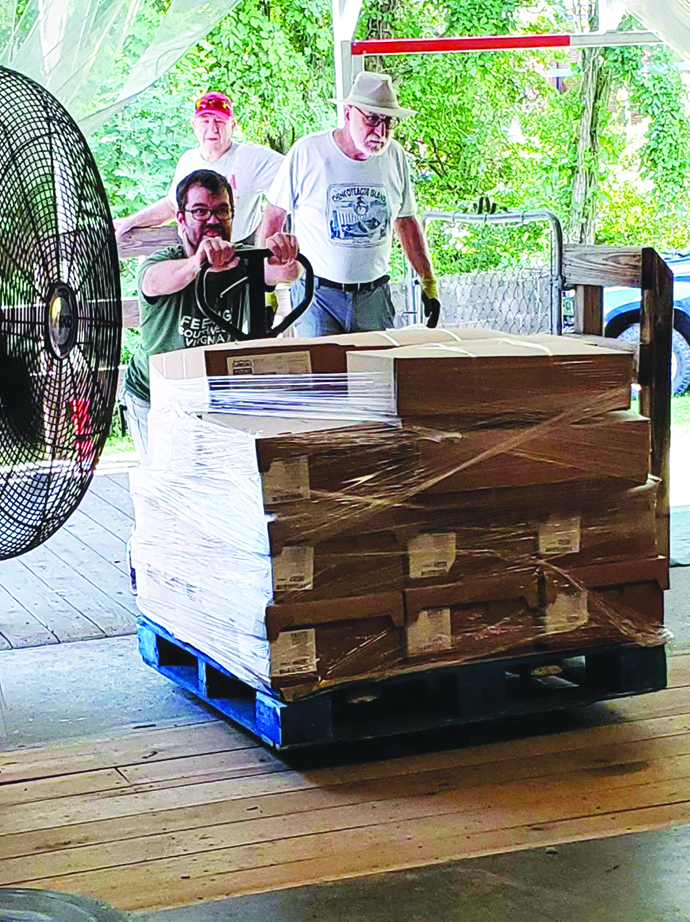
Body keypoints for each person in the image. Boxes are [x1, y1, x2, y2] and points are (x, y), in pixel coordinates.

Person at [122, 169, 299, 456]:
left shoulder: (243, 261)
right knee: (165, 480)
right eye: (201, 212)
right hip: (154, 396)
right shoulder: (165, 262)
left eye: (221, 211)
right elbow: (154, 281)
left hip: (211, 395)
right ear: (181, 218)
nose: (213, 220)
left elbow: (281, 271)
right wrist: (198, 263)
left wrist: (286, 257)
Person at [258, 71, 439, 336]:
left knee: (377, 373)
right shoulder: (309, 152)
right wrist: (267, 287)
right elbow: (274, 216)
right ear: (347, 114)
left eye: (388, 121)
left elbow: (406, 221)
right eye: (373, 119)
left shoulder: (394, 156)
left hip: (373, 296)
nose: (381, 131)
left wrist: (428, 281)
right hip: (317, 296)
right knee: (322, 374)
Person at [114, 92, 284, 245]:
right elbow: (173, 205)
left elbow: (294, 176)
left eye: (219, 121)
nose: (212, 128)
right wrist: (132, 221)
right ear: (194, 126)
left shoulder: (251, 157)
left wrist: (272, 222)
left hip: (239, 250)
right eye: (205, 121)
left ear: (232, 126)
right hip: (192, 252)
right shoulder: (188, 161)